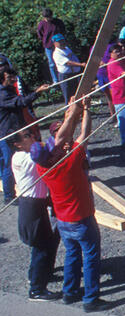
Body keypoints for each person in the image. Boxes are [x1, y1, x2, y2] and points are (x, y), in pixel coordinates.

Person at [35, 98, 106, 311]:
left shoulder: (43, 167)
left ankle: (70, 292)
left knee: (72, 254)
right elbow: (86, 135)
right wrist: (85, 111)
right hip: (82, 219)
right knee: (91, 257)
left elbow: (61, 137)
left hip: (63, 220)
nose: (57, 142)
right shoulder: (70, 162)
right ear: (52, 153)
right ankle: (91, 299)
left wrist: (71, 111)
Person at [11, 128, 61, 301]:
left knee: (41, 244)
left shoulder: (16, 157)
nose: (32, 137)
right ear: (17, 144)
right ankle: (37, 289)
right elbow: (48, 150)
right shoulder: (28, 158)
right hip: (32, 205)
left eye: (31, 133)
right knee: (42, 246)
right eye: (26, 136)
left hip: (32, 203)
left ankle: (37, 275)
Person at [0, 68, 50, 203]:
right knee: (9, 164)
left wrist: (36, 92)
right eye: (9, 76)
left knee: (23, 159)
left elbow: (22, 99)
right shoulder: (2, 94)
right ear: (2, 78)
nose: (13, 78)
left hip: (16, 130)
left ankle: (31, 185)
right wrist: (38, 92)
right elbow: (20, 102)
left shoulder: (8, 90)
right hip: (8, 134)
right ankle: (9, 196)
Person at [52, 34, 84, 105]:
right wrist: (81, 65)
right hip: (65, 76)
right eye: (60, 41)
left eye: (63, 40)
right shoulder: (56, 53)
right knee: (68, 95)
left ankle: (79, 111)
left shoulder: (67, 49)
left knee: (77, 93)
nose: (62, 43)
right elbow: (68, 63)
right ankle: (69, 112)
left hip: (74, 74)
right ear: (55, 43)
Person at [36, 8, 66, 85]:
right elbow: (40, 34)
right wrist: (45, 40)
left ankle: (62, 77)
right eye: (47, 18)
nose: (49, 19)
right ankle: (55, 80)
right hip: (48, 45)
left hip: (59, 45)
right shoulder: (42, 24)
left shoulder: (58, 22)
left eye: (49, 17)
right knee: (52, 63)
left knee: (62, 60)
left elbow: (63, 31)